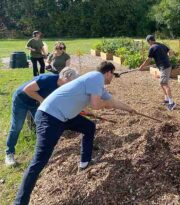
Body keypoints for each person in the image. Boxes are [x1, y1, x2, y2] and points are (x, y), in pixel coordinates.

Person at [14, 61, 137, 204]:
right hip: (49, 117)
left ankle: (84, 162)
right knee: (39, 161)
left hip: (65, 116)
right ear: (108, 72)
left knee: (89, 127)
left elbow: (113, 101)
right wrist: (105, 105)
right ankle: (20, 202)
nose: (112, 79)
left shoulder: (98, 86)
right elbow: (96, 105)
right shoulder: (96, 77)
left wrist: (129, 109)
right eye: (112, 75)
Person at [4, 67, 79, 166]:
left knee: (43, 126)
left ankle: (42, 152)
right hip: (21, 100)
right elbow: (27, 90)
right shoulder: (47, 79)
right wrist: (42, 100)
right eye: (71, 82)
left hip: (35, 103)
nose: (71, 85)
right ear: (65, 78)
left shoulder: (62, 86)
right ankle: (9, 153)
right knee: (16, 127)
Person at [138, 35, 176, 111]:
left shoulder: (152, 48)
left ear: (150, 41)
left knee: (164, 84)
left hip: (164, 67)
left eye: (148, 42)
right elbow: (170, 51)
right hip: (166, 66)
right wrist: (167, 57)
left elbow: (148, 60)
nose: (148, 43)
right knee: (162, 83)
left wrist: (142, 66)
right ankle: (166, 99)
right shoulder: (160, 44)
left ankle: (172, 103)